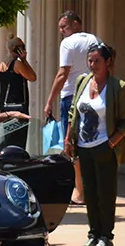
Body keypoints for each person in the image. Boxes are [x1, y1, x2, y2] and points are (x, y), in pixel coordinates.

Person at [64, 43, 125, 246]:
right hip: (83, 147)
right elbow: (73, 112)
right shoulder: (82, 81)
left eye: (97, 61)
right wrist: (68, 138)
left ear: (107, 62)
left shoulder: (119, 87)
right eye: (90, 61)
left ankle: (106, 236)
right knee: (89, 193)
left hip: (105, 147)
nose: (92, 65)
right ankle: (93, 234)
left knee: (106, 193)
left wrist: (111, 142)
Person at [43, 11, 101, 204]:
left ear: (76, 24)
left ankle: (79, 190)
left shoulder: (67, 43)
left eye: (63, 26)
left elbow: (62, 74)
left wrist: (49, 100)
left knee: (71, 145)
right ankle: (89, 187)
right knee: (91, 142)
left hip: (71, 96)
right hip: (92, 95)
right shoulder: (94, 39)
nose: (61, 31)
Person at [0, 36, 37, 149]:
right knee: (19, 139)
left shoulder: (3, 63)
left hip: (5, 104)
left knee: (9, 137)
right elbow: (33, 77)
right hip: (18, 104)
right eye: (22, 47)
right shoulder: (17, 64)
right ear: (15, 48)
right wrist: (24, 60)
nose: (24, 50)